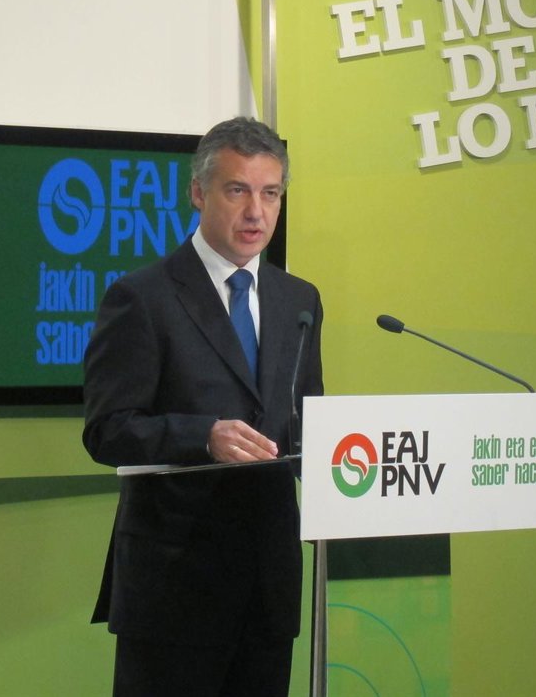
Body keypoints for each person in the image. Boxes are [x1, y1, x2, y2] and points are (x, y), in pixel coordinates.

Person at [82, 116, 324, 697]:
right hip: (174, 585)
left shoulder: (299, 299)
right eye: (237, 190)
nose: (256, 212)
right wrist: (204, 437)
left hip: (268, 585)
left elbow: (307, 422)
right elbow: (108, 430)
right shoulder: (142, 297)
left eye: (271, 194)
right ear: (197, 192)